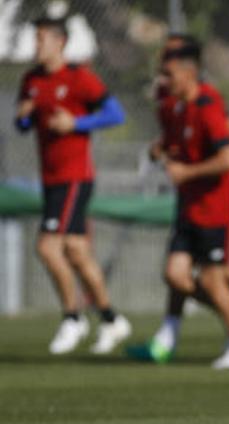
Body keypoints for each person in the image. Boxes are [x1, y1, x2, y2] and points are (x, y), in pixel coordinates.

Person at [127, 34, 229, 364]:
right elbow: (175, 141)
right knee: (176, 274)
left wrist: (187, 173)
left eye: (168, 72)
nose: (162, 80)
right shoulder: (171, 104)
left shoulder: (209, 104)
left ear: (189, 70)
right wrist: (160, 148)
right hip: (189, 205)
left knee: (213, 274)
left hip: (217, 205)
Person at [15, 16, 130, 355]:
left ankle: (72, 317)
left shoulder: (79, 78)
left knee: (48, 247)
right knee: (77, 252)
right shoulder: (32, 80)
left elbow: (116, 114)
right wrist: (24, 115)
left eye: (40, 39)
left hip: (74, 176)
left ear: (59, 42)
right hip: (50, 178)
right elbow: (23, 124)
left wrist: (76, 122)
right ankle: (111, 319)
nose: (36, 45)